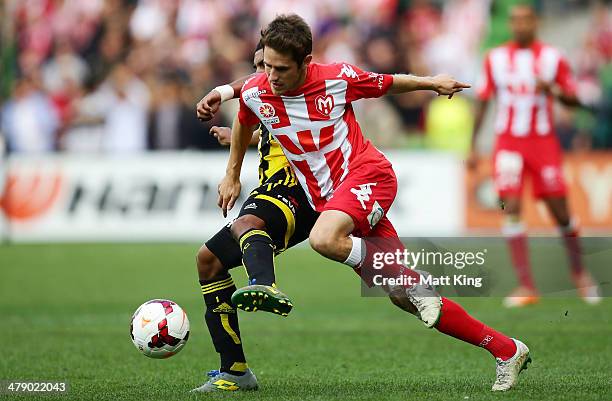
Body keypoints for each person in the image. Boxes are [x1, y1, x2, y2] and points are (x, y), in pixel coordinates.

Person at [215, 14, 530, 392]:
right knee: (405, 299)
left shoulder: (336, 78)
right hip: (334, 198)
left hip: (368, 176)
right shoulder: (256, 91)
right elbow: (245, 122)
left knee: (324, 239)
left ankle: (411, 279)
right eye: (266, 65)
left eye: (281, 69)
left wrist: (431, 83)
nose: (272, 75)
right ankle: (506, 349)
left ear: (306, 63)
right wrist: (232, 173)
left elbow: (388, 83)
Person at [191, 42, 321, 393]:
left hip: (300, 192)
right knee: (208, 261)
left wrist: (223, 94)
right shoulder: (268, 94)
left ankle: (264, 283)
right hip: (274, 189)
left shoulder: (307, 92)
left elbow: (304, 138)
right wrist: (239, 135)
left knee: (246, 224)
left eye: (272, 67)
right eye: (260, 66)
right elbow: (278, 136)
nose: (265, 75)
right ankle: (234, 370)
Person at [469, 4, 602, 308]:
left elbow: (575, 100)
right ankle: (526, 285)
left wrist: (553, 89)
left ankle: (581, 275)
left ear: (536, 22)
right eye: (514, 21)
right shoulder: (496, 58)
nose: (519, 26)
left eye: (525, 20)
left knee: (562, 214)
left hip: (543, 143)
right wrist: (472, 145)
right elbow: (483, 101)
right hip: (508, 143)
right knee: (512, 206)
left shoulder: (552, 58)